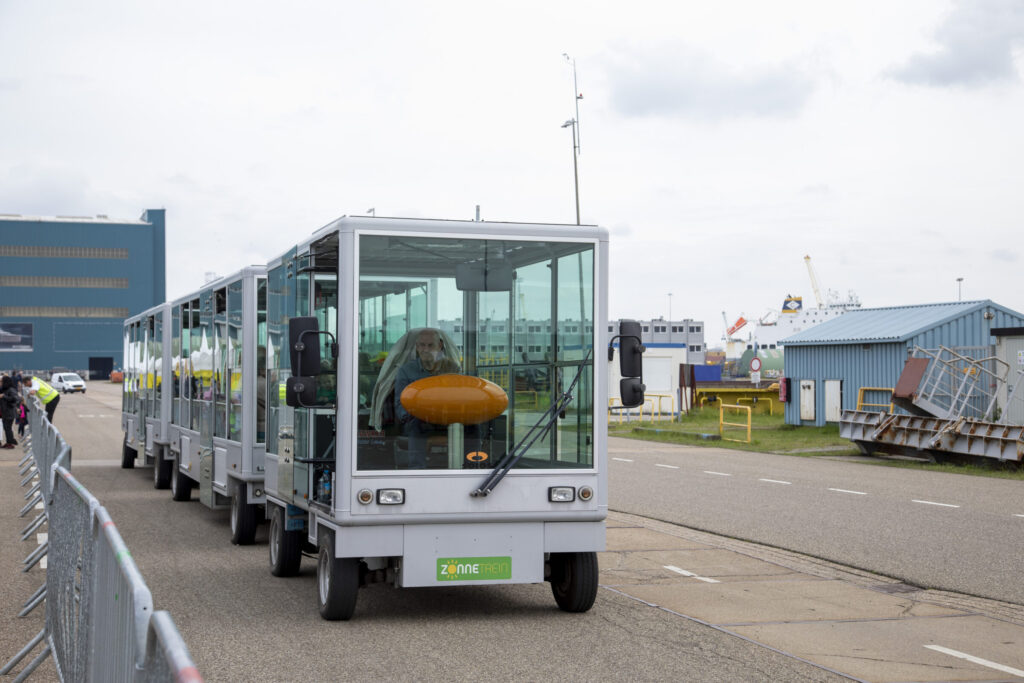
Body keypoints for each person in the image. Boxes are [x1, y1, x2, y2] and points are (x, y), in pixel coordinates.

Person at [393, 328, 460, 468]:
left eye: (431, 345)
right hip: (419, 420)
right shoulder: (406, 371)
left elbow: (460, 397)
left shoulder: (452, 368)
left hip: (446, 419)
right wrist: (412, 415)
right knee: (414, 425)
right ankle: (416, 471)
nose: (426, 349)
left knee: (475, 426)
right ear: (417, 347)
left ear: (440, 345)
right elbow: (400, 403)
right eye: (422, 345)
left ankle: (472, 465)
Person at [1, 375, 20, 448]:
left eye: (2, 381)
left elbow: (15, 399)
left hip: (9, 412)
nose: (1, 383)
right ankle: (9, 441)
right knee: (6, 427)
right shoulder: (6, 389)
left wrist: (4, 396)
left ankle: (10, 442)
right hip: (5, 412)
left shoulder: (11, 389)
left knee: (8, 427)